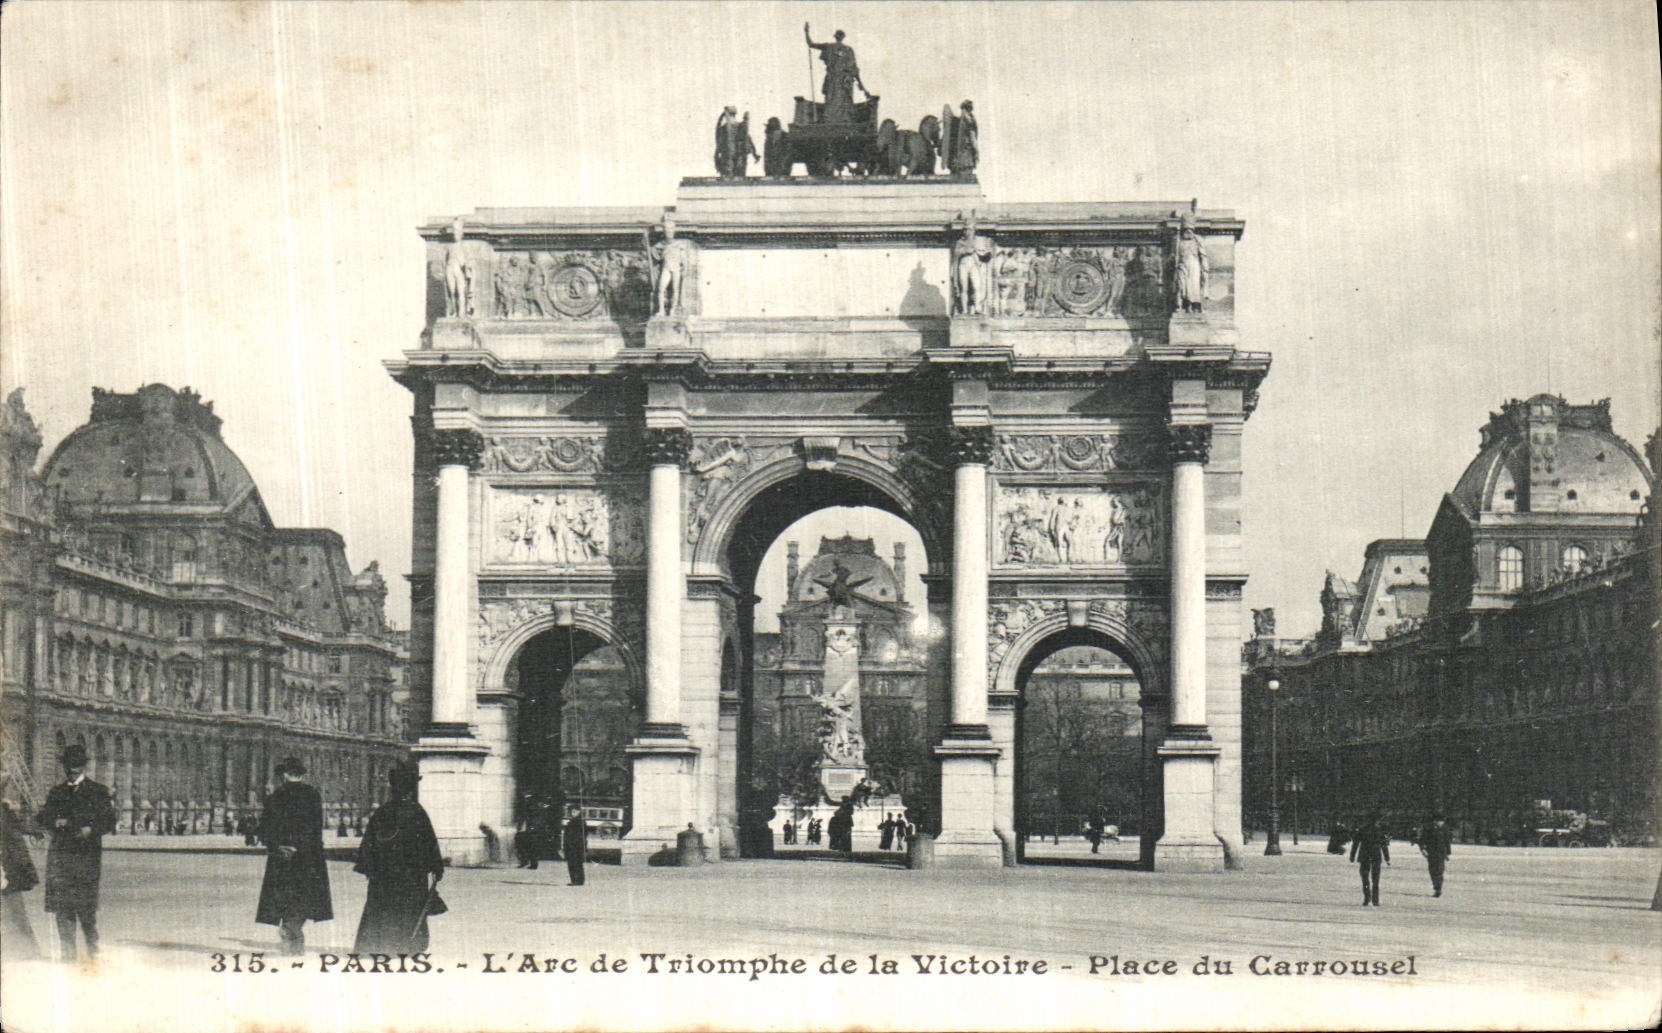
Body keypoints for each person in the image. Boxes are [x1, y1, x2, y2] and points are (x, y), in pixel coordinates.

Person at [352, 764, 444, 955]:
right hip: (411, 876)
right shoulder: (417, 812)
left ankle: (378, 945)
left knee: (381, 909)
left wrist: (369, 868)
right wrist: (436, 866)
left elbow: (368, 844)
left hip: (383, 876)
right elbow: (429, 843)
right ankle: (407, 946)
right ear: (410, 787)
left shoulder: (382, 812)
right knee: (409, 910)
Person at [36, 743, 116, 961]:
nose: (72, 770)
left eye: (77, 765)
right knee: (63, 908)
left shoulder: (98, 791)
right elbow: (43, 818)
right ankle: (68, 953)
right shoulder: (57, 792)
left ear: (83, 766)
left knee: (86, 909)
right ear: (64, 767)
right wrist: (54, 821)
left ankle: (93, 949)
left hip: (85, 857)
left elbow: (109, 820)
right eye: (69, 766)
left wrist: (91, 829)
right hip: (61, 857)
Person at [255, 758, 332, 954]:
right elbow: (316, 827)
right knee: (304, 895)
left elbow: (265, 829)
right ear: (302, 775)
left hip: (282, 857)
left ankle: (290, 931)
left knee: (283, 895)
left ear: (284, 775)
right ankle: (293, 930)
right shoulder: (313, 795)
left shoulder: (275, 797)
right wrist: (305, 848)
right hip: (307, 856)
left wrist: (279, 846)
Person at [2, 794, 44, 958]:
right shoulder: (6, 813)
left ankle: (28, 952)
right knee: (15, 913)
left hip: (6, 871)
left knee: (15, 913)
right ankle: (28, 951)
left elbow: (15, 836)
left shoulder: (5, 813)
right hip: (8, 871)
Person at [804, 24, 864, 123]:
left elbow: (811, 44)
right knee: (838, 100)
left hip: (839, 80)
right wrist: (861, 84)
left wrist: (806, 32)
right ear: (842, 37)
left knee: (836, 100)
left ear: (835, 37)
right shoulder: (847, 50)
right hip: (842, 80)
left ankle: (837, 120)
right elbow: (854, 70)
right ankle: (838, 120)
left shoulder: (833, 47)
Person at [1349, 812, 1391, 906]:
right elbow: (1384, 845)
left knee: (1365, 877)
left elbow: (1355, 843)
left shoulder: (1362, 830)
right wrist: (1387, 858)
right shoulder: (1380, 830)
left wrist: (1352, 856)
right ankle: (1375, 899)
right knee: (1376, 879)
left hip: (1364, 855)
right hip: (1376, 855)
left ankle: (1367, 897)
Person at [1419, 814, 1453, 898]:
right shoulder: (1428, 829)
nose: (1441, 823)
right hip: (1431, 853)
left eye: (1442, 822)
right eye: (1440, 821)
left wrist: (1448, 853)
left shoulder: (1445, 829)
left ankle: (1438, 888)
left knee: (1440, 871)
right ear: (1435, 821)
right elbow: (1422, 840)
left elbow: (1447, 841)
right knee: (1433, 871)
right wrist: (1423, 849)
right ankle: (1436, 885)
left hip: (1441, 853)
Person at [562, 805, 589, 887]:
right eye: (572, 812)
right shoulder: (573, 821)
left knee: (576, 863)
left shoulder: (579, 822)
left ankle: (578, 880)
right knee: (572, 863)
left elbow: (583, 834)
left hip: (576, 845)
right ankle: (575, 880)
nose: (573, 813)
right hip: (571, 845)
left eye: (574, 811)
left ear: (579, 812)